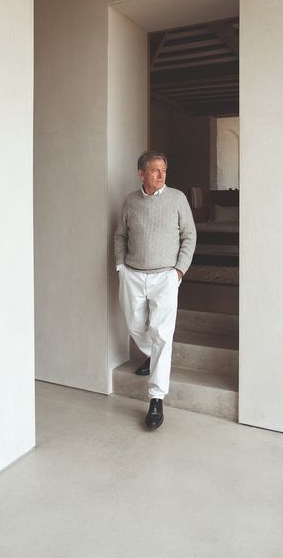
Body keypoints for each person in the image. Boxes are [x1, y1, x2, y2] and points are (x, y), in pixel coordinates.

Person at [114, 151, 196, 430]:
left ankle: (156, 398)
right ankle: (152, 354)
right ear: (141, 173)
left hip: (165, 276)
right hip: (133, 274)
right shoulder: (130, 202)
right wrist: (120, 266)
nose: (161, 175)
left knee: (162, 333)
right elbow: (120, 234)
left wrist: (179, 271)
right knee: (134, 323)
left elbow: (189, 235)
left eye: (164, 170)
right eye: (154, 170)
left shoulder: (177, 199)